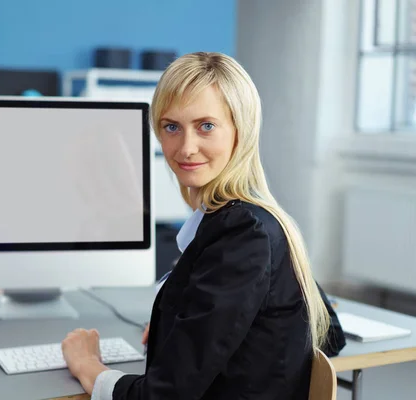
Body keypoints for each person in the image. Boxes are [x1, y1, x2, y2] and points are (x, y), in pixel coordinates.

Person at [60, 52, 345, 399]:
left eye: (206, 126)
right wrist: (195, 327)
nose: (186, 148)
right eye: (171, 127)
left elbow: (163, 397)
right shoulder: (258, 218)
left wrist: (88, 364)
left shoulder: (243, 234)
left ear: (241, 130)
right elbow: (330, 332)